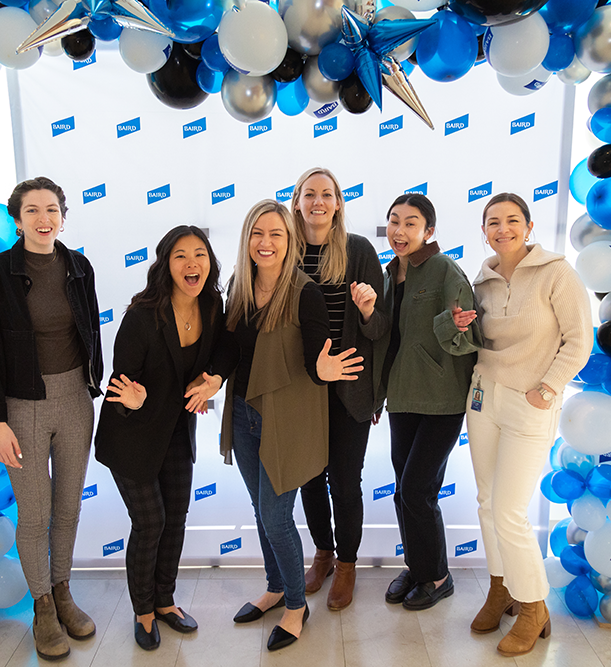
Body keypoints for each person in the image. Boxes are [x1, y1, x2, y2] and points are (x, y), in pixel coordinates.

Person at [205, 200, 362, 651]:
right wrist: (214, 376)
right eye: (258, 233)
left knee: (276, 516)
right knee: (261, 511)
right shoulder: (240, 283)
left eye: (276, 233)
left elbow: (317, 357)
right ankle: (275, 587)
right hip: (243, 411)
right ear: (247, 239)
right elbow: (230, 346)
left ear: (289, 240)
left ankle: (296, 605)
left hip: (285, 418)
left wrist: (326, 370)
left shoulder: (304, 291)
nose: (266, 242)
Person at [0, 177, 103, 661]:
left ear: (63, 216)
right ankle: (43, 606)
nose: (43, 219)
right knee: (35, 514)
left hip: (74, 398)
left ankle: (64, 591)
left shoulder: (78, 266)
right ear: (17, 218)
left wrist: (94, 383)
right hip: (22, 404)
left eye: (52, 209)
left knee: (68, 507)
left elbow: (89, 328)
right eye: (32, 210)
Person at [465, 193, 592, 657]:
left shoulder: (557, 273)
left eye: (512, 220)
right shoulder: (482, 279)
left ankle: (534, 607)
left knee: (509, 511)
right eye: (493, 222)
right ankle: (502, 590)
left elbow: (580, 340)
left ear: (529, 225)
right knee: (486, 502)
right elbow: (475, 339)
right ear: (484, 230)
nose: (503, 229)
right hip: (483, 399)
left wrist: (549, 387)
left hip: (532, 403)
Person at [93, 226, 224, 651]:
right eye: (181, 255)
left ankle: (166, 601)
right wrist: (135, 398)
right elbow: (119, 390)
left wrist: (215, 379)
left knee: (176, 520)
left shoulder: (211, 303)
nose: (192, 263)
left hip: (175, 434)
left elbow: (228, 348)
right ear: (165, 264)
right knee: (151, 522)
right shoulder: (143, 315)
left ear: (209, 262)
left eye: (200, 254)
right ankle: (144, 611)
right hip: (132, 435)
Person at [374, 193, 481, 612]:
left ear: (428, 231)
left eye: (411, 223)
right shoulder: (388, 275)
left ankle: (438, 576)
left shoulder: (443, 269)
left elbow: (465, 337)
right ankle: (417, 567)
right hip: (402, 397)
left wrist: (447, 323)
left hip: (441, 397)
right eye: (394, 222)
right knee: (405, 491)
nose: (400, 231)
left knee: (418, 490)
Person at [290, 168, 388, 610]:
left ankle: (347, 565)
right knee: (310, 479)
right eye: (309, 193)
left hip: (348, 386)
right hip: (302, 387)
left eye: (326, 194)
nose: (318, 201)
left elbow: (381, 328)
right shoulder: (285, 248)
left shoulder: (358, 250)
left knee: (345, 483)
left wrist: (367, 311)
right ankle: (324, 554)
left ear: (338, 203)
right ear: (296, 201)